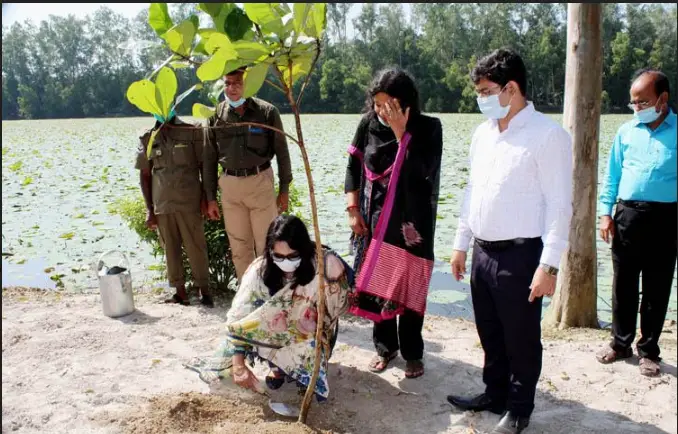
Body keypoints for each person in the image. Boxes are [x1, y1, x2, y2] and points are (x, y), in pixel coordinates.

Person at [447, 48, 572, 434]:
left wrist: (548, 266)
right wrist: (460, 243)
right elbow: (473, 191)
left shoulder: (548, 136)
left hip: (521, 256)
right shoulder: (482, 135)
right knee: (490, 331)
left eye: (486, 91)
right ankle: (494, 393)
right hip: (483, 251)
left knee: (521, 338)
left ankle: (519, 409)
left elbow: (559, 205)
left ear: (511, 88)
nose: (480, 99)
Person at [184, 215, 353, 400]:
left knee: (308, 354)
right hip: (272, 331)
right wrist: (239, 366)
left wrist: (311, 312)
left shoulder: (324, 266)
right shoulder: (259, 270)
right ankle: (277, 368)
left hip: (312, 331)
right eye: (278, 256)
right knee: (231, 359)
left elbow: (340, 306)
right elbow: (239, 318)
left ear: (304, 251)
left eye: (292, 256)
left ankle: (300, 370)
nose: (285, 262)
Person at [344, 67, 443, 380]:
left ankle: (413, 353)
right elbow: (352, 167)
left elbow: (423, 172)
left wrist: (402, 134)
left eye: (388, 105)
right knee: (377, 285)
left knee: (411, 291)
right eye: (377, 104)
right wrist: (352, 209)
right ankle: (386, 349)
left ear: (405, 102)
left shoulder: (429, 128)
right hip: (374, 224)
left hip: (413, 228)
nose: (381, 111)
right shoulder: (368, 125)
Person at [596, 68, 677, 377]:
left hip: (667, 218)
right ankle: (620, 343)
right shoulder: (626, 132)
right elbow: (612, 176)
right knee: (623, 283)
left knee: (657, 286)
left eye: (642, 102)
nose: (636, 108)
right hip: (627, 216)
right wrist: (606, 213)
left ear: (663, 99)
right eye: (633, 103)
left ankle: (649, 350)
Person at [204, 66, 293, 282]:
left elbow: (282, 153)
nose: (232, 88)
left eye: (237, 83)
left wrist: (283, 190)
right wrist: (209, 198)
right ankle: (248, 293)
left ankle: (272, 289)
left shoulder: (267, 112)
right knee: (239, 246)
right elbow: (209, 159)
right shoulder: (215, 116)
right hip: (230, 186)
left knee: (267, 243)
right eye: (227, 83)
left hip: (259, 183)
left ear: (248, 84)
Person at [135, 111, 214, 307]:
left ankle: (204, 291)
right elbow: (145, 175)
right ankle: (180, 293)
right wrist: (149, 209)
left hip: (189, 200)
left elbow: (205, 166)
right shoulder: (147, 137)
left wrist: (207, 198)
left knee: (196, 246)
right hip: (162, 203)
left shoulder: (192, 131)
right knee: (170, 249)